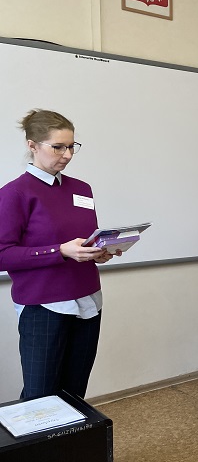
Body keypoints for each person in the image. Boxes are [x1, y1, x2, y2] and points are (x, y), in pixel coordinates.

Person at [0, 109, 120, 399]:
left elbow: (84, 240)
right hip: (43, 306)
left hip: (88, 300)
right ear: (32, 145)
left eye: (71, 146)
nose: (67, 155)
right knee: (40, 398)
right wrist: (60, 251)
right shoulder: (15, 193)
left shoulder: (82, 189)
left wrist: (98, 252)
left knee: (74, 393)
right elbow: (3, 254)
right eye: (58, 147)